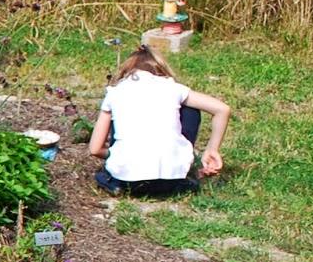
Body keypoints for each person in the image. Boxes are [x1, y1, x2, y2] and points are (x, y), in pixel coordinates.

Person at [87, 43, 231, 196]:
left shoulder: (115, 92)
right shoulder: (173, 88)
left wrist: (114, 154)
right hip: (174, 181)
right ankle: (182, 162)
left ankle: (115, 185)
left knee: (103, 172)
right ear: (161, 70)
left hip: (127, 181)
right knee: (190, 108)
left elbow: (95, 149)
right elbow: (222, 109)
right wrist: (212, 149)